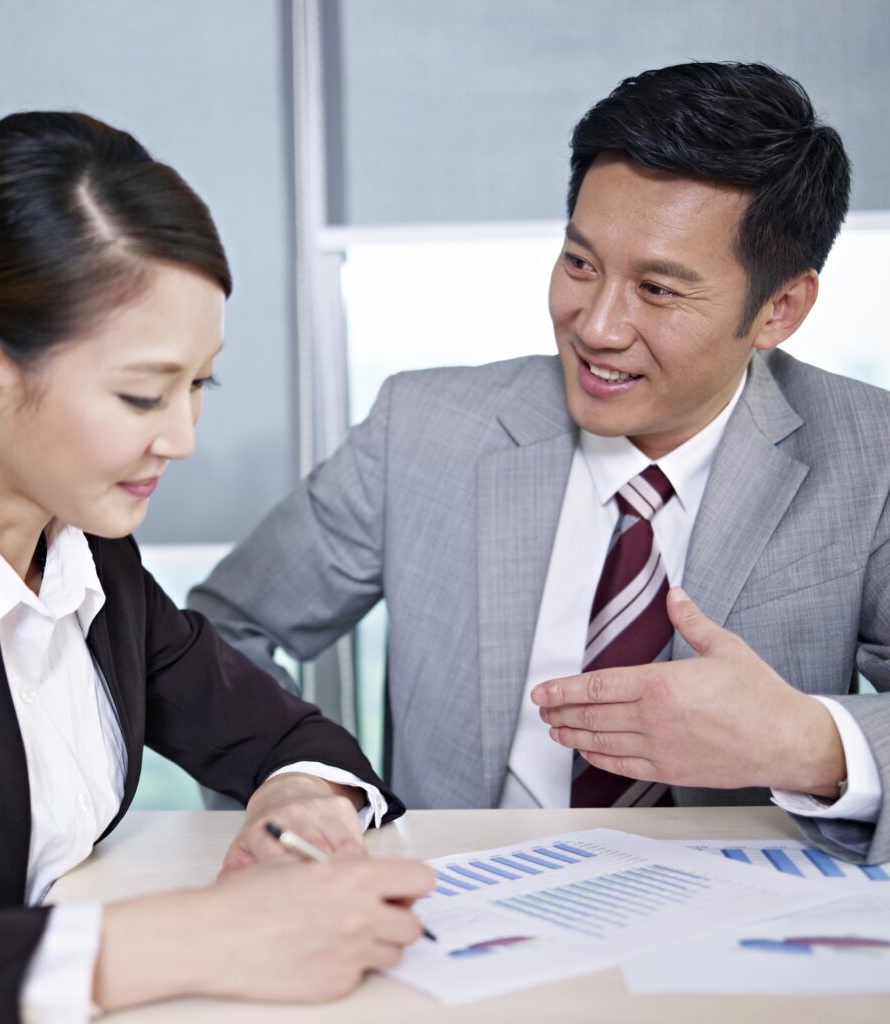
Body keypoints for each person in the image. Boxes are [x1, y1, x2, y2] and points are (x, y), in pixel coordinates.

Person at [190, 62, 890, 865]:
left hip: (746, 934)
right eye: (581, 264)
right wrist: (300, 778)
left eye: (658, 290)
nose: (595, 326)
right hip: (457, 917)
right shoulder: (421, 430)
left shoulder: (870, 456)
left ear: (780, 309)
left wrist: (811, 743)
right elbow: (221, 633)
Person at [0, 111, 434, 1024]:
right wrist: (197, 936)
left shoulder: (92, 557)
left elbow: (290, 739)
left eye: (199, 384)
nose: (182, 438)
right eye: (141, 393)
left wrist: (297, 814)